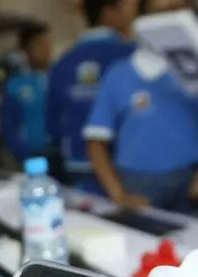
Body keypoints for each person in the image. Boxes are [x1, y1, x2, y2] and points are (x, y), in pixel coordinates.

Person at [84, 0, 198, 214]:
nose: (173, 21)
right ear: (142, 21)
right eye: (163, 13)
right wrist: (117, 193)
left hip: (193, 182)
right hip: (136, 184)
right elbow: (96, 141)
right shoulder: (119, 74)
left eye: (181, 11)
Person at [47, 0, 139, 195]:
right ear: (109, 11)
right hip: (123, 167)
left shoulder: (63, 63)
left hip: (78, 165)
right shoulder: (131, 56)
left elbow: (52, 121)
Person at [0, 23, 53, 165]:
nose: (46, 49)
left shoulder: (58, 77)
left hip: (60, 153)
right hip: (33, 156)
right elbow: (9, 127)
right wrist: (24, 155)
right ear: (26, 49)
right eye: (39, 44)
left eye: (47, 43)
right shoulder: (15, 86)